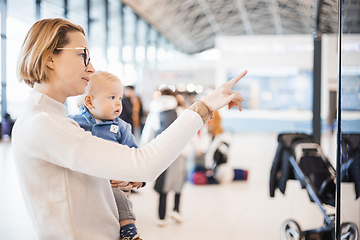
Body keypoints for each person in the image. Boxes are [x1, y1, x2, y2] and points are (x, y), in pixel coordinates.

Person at [13, 17, 246, 240]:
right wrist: (203, 108)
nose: (91, 68)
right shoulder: (45, 123)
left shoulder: (47, 118)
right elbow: (143, 164)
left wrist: (108, 181)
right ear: (48, 58)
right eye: (82, 55)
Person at [68, 70, 144, 240]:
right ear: (89, 101)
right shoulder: (73, 123)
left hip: (112, 183)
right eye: (112, 98)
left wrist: (138, 177)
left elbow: (134, 155)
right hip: (84, 183)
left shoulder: (122, 127)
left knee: (118, 196)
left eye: (120, 98)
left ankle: (128, 229)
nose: (118, 104)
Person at [141, 89, 187, 227]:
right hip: (179, 152)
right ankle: (176, 210)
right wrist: (197, 148)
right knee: (178, 182)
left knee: (163, 184)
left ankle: (161, 217)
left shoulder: (155, 110)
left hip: (161, 152)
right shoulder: (179, 110)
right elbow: (188, 130)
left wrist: (143, 149)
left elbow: (148, 131)